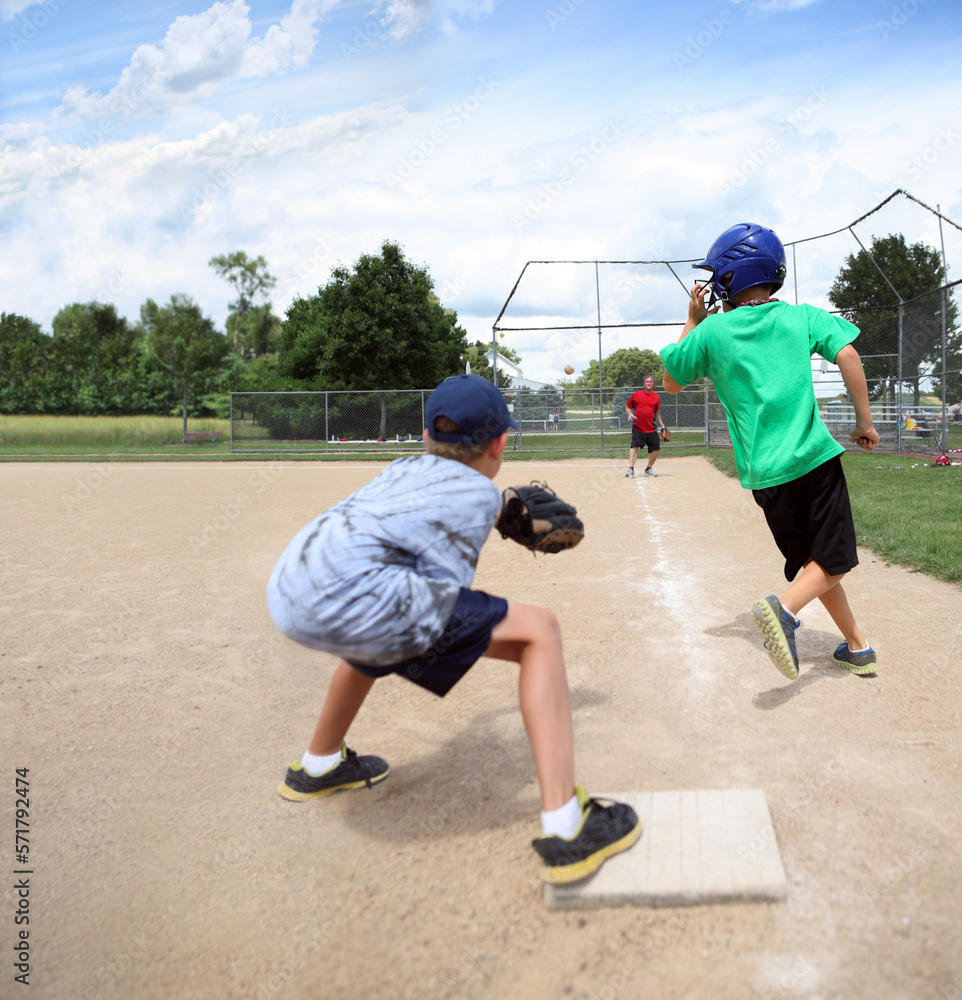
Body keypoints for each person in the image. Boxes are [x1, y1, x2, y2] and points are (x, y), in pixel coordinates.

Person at [266, 373, 641, 884]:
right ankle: (568, 827)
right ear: (500, 444)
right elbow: (439, 598)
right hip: (352, 596)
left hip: (291, 589)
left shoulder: (404, 466)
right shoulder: (478, 494)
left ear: (425, 439)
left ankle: (318, 765)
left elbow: (417, 524)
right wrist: (494, 516)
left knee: (373, 636)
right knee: (539, 631)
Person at [659, 223, 880, 680]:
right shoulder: (801, 317)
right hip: (813, 460)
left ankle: (857, 645)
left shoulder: (713, 332)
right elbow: (850, 356)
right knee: (834, 559)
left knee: (813, 561)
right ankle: (785, 610)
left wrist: (694, 321)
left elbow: (672, 381)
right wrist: (865, 422)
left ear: (728, 278)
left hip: (766, 475)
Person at [625, 375, 667, 478]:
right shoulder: (636, 395)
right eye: (647, 381)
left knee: (656, 449)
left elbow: (657, 413)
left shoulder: (656, 397)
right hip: (638, 427)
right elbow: (628, 407)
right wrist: (630, 414)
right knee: (634, 447)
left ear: (654, 384)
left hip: (651, 428)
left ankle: (649, 468)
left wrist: (663, 426)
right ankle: (631, 469)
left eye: (651, 381)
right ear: (644, 384)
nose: (649, 383)